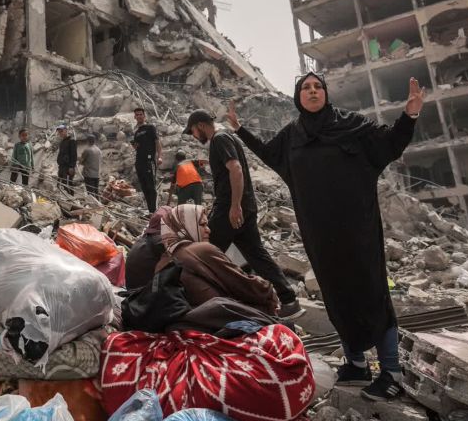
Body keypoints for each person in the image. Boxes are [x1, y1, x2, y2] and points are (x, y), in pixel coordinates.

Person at [227, 72, 424, 402]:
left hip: (357, 229)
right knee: (336, 293)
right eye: (306, 87)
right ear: (298, 96)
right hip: (319, 233)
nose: (313, 90)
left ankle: (392, 371)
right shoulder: (292, 136)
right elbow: (268, 154)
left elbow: (390, 144)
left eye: (318, 86)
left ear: (326, 94)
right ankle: (357, 364)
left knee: (372, 292)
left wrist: (410, 116)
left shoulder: (353, 126)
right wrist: (239, 130)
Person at [183, 109, 302, 319]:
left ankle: (193, 302)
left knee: (203, 253)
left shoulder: (219, 139)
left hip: (231, 209)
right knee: (257, 255)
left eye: (192, 131)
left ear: (200, 126)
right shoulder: (227, 138)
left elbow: (235, 169)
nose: (193, 136)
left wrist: (234, 206)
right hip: (243, 207)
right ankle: (288, 300)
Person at [153, 204, 279, 316]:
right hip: (220, 320)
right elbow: (244, 285)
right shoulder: (201, 250)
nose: (209, 229)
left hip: (191, 322)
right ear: (186, 226)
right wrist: (269, 290)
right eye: (202, 225)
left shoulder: (163, 261)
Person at [131, 107, 162, 213]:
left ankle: (154, 210)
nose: (139, 116)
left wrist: (159, 156)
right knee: (144, 187)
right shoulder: (136, 132)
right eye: (137, 115)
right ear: (135, 117)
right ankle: (150, 211)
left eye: (141, 114)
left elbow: (157, 142)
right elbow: (136, 147)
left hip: (149, 161)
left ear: (144, 116)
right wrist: (133, 144)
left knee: (151, 186)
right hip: (139, 162)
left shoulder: (150, 128)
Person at [55, 124, 77, 194]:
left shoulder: (71, 141)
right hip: (61, 167)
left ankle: (72, 199)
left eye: (61, 131)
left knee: (68, 185)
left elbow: (74, 155)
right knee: (61, 184)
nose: (60, 133)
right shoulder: (62, 142)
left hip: (67, 167)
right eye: (59, 132)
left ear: (66, 131)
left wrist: (72, 166)